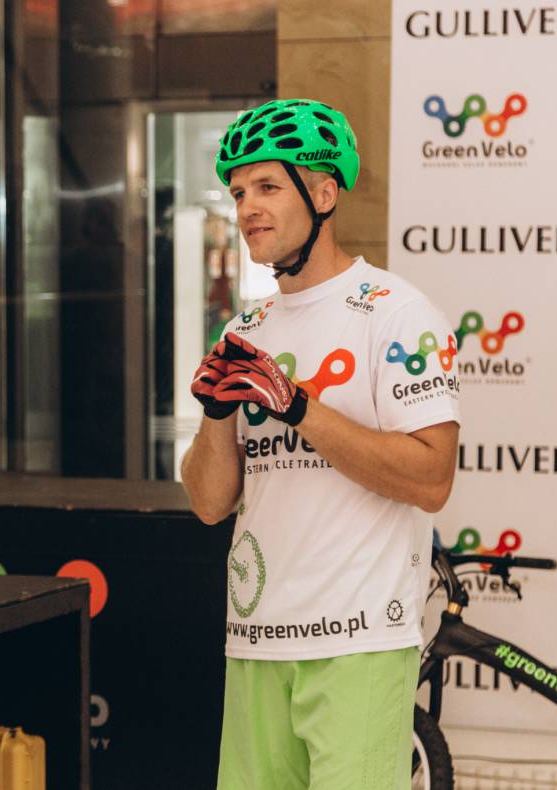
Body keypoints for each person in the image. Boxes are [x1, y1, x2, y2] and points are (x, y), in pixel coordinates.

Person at [181, 99, 460, 789]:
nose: (247, 207)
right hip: (255, 640)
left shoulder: (397, 313)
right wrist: (216, 414)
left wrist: (298, 406)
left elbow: (431, 479)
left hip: (358, 642)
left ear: (324, 194)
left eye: (267, 186)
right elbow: (210, 503)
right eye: (238, 192)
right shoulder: (243, 330)